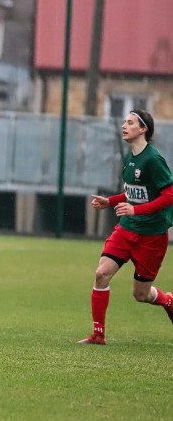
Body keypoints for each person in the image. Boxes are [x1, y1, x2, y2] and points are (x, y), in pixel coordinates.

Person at [80, 109, 173, 345]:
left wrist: (135, 209)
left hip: (152, 235)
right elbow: (133, 192)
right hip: (127, 228)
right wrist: (110, 201)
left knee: (141, 294)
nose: (124, 125)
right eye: (124, 121)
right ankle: (98, 335)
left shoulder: (153, 159)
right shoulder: (130, 157)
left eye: (130, 122)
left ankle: (168, 301)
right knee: (102, 273)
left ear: (143, 129)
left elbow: (169, 194)